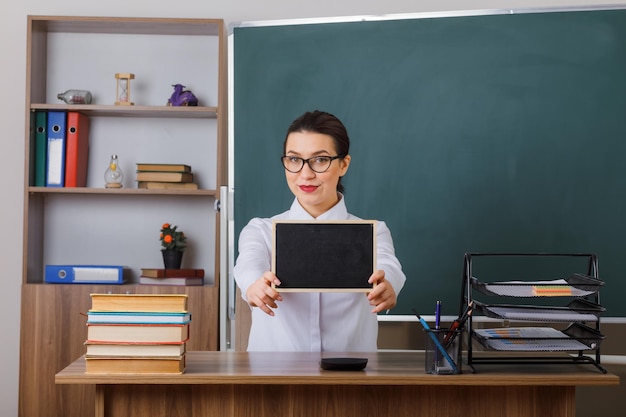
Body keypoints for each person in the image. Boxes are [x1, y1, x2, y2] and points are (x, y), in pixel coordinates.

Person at [233, 110, 406, 352]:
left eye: (320, 160)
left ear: (343, 164)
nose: (305, 174)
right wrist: (254, 285)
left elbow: (389, 267)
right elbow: (248, 264)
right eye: (294, 159)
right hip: (273, 377)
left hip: (351, 379)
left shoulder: (373, 232)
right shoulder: (261, 230)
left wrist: (387, 284)